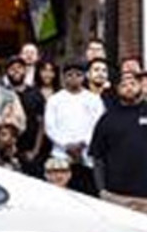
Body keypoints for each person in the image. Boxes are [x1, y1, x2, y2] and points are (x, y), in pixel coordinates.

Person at [89, 70, 147, 220]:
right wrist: (102, 190)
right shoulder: (107, 119)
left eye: (132, 83)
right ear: (116, 90)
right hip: (117, 199)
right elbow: (97, 157)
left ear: (141, 86)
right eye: (123, 84)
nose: (128, 87)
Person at [43, 61, 105, 194]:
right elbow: (50, 127)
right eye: (69, 75)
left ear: (84, 77)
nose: (74, 78)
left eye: (78, 74)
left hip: (86, 156)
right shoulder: (54, 99)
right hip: (60, 156)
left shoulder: (94, 99)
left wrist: (82, 144)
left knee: (87, 196)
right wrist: (67, 145)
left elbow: (98, 125)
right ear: (63, 77)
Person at [4, 55, 46, 174]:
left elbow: (42, 124)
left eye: (19, 67)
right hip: (9, 152)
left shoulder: (35, 94)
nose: (16, 71)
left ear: (25, 70)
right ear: (7, 72)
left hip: (32, 151)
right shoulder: (3, 94)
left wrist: (35, 151)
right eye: (12, 68)